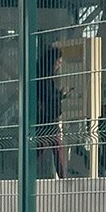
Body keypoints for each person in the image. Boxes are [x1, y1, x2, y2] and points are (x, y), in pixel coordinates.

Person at [35, 45, 66, 179]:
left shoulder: (42, 75)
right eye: (58, 62)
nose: (59, 66)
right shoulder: (44, 78)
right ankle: (64, 179)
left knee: (43, 147)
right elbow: (46, 96)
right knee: (55, 147)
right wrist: (60, 94)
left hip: (45, 118)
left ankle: (25, 173)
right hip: (47, 119)